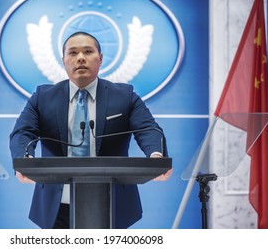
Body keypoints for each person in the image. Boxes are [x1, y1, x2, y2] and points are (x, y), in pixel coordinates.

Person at [10, 31, 173, 229]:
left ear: (100, 59)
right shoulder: (43, 97)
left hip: (113, 204)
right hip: (57, 206)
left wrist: (156, 155)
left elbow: (148, 128)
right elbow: (22, 132)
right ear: (63, 60)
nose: (80, 58)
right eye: (73, 53)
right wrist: (25, 158)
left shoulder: (124, 95)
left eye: (88, 51)